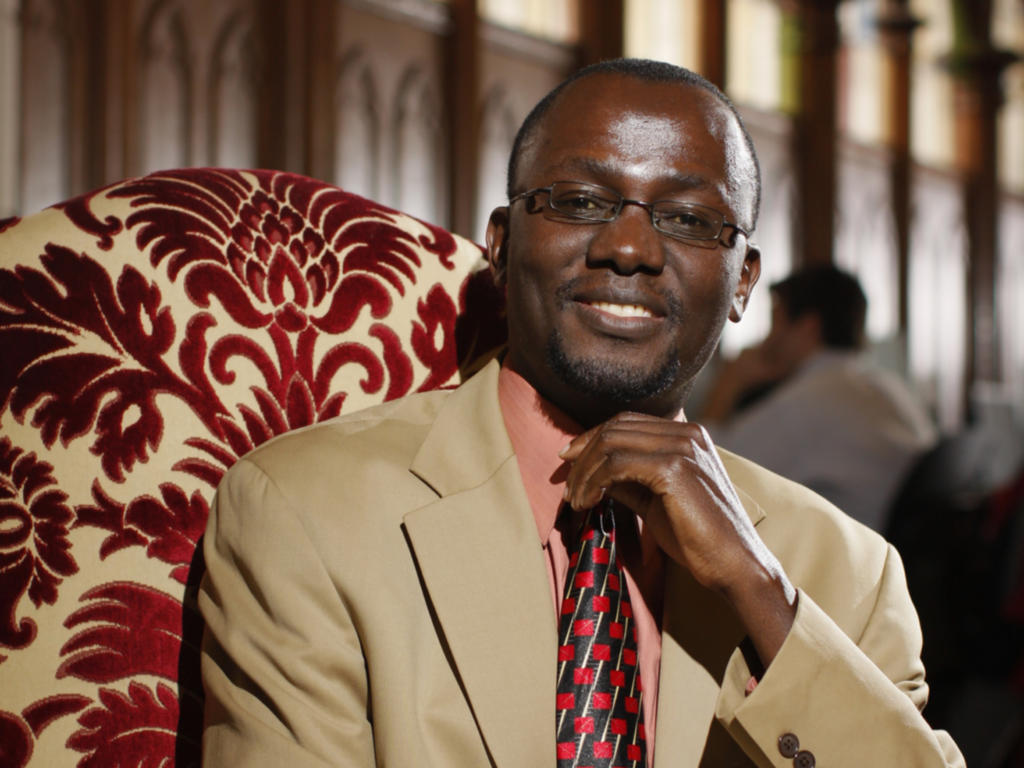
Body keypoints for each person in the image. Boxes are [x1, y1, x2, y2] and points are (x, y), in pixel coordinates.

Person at [199, 59, 964, 767]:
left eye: (690, 219)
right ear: (499, 247)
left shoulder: (852, 577)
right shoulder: (307, 512)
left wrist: (757, 590)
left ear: (742, 284)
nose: (629, 248)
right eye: (580, 201)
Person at [699, 265, 937, 532]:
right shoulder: (890, 388)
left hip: (851, 559)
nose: (768, 339)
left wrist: (728, 384)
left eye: (776, 321)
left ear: (807, 329)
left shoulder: (808, 403)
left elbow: (706, 473)